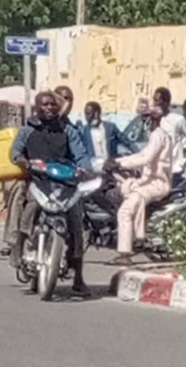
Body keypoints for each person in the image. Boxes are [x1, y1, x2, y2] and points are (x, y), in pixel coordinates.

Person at [10, 91, 91, 296]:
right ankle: (20, 246)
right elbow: (16, 152)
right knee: (30, 208)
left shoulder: (68, 130)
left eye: (52, 105)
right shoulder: (28, 130)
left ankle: (78, 276)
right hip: (38, 181)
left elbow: (81, 155)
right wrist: (22, 161)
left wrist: (83, 168)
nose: (49, 108)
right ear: (37, 107)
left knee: (76, 221)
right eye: (44, 104)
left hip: (65, 183)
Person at [106, 106, 173, 265]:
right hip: (148, 182)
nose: (144, 122)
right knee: (125, 189)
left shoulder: (158, 136)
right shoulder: (156, 135)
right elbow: (142, 155)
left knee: (125, 211)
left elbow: (146, 159)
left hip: (157, 184)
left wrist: (119, 164)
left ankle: (125, 253)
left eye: (145, 118)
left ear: (153, 119)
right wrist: (118, 162)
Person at [78, 101, 139, 171]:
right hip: (93, 170)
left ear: (96, 113)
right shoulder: (83, 132)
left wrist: (139, 155)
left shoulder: (110, 128)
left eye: (89, 114)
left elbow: (127, 143)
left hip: (111, 168)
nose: (87, 118)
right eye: (86, 114)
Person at [154, 88, 186, 182]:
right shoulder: (157, 120)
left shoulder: (178, 120)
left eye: (158, 100)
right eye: (154, 100)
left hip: (174, 169)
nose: (156, 103)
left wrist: (184, 163)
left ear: (166, 102)